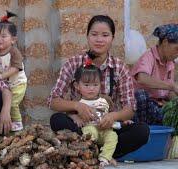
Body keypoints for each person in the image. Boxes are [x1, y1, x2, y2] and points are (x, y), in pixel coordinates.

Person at [48, 15, 150, 158]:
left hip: (108, 129)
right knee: (57, 120)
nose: (99, 40)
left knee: (142, 131)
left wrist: (113, 116)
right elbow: (53, 101)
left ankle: (92, 152)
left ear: (112, 38)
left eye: (105, 35)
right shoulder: (73, 63)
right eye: (94, 34)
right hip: (80, 126)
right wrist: (77, 106)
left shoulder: (119, 67)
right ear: (87, 36)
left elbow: (130, 108)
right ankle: (95, 152)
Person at [70, 61, 117, 167]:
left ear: (100, 84)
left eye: (95, 85)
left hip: (105, 129)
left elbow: (113, 112)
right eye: (86, 85)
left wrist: (120, 120)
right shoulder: (78, 102)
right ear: (77, 85)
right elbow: (69, 114)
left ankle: (105, 158)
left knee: (113, 136)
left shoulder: (105, 99)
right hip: (90, 128)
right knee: (90, 133)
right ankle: (93, 154)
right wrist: (76, 117)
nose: (91, 88)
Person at [131, 24, 178, 124]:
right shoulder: (149, 56)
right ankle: (143, 132)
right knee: (140, 95)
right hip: (142, 107)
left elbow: (169, 92)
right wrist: (172, 86)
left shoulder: (170, 62)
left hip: (158, 106)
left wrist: (175, 101)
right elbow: (142, 78)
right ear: (165, 42)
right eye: (177, 49)